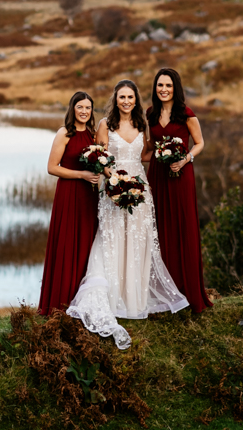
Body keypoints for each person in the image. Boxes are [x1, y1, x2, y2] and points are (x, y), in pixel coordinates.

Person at [66, 80, 189, 348]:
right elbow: (99, 157)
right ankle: (110, 298)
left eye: (130, 97)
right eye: (122, 97)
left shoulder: (142, 124)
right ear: (115, 99)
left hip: (140, 189)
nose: (126, 101)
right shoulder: (105, 125)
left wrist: (168, 154)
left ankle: (134, 300)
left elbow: (143, 154)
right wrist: (114, 180)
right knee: (111, 239)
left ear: (135, 100)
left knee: (137, 240)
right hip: (113, 187)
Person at [146, 68, 213, 313]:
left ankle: (187, 292)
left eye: (168, 85)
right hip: (157, 176)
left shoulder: (186, 113)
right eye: (160, 85)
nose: (163, 89)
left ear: (176, 88)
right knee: (159, 227)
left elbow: (200, 143)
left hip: (180, 175)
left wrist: (185, 159)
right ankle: (163, 294)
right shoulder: (150, 113)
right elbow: (150, 145)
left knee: (182, 227)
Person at [38, 91, 102, 315]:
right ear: (72, 109)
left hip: (89, 196)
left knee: (86, 244)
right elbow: (52, 167)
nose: (84, 111)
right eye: (80, 107)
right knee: (67, 244)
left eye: (88, 108)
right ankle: (59, 303)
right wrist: (81, 175)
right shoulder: (64, 133)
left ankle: (81, 301)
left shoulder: (94, 136)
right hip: (68, 194)